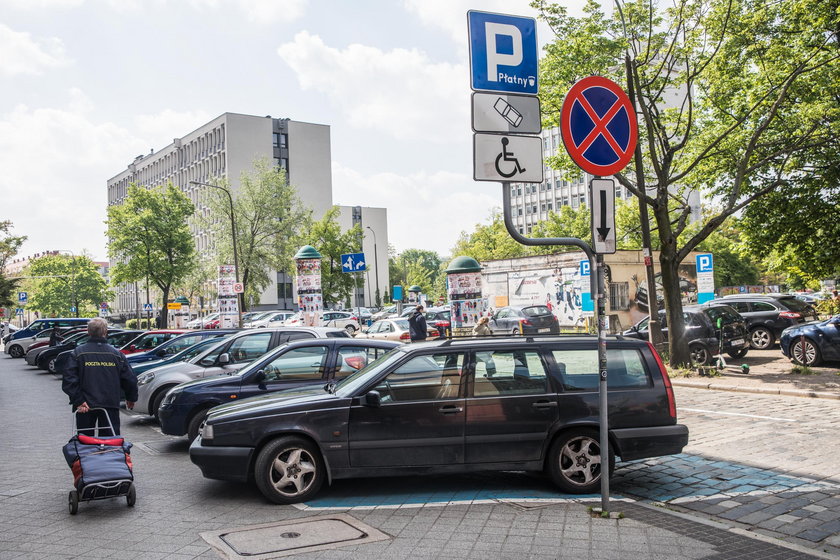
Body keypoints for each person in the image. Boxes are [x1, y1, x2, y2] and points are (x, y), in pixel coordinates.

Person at [61, 318, 137, 436]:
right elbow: (129, 378)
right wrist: (131, 397)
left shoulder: (78, 353)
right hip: (109, 404)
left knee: (85, 443)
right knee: (109, 443)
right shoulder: (116, 354)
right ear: (105, 332)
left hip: (85, 405)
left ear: (88, 332)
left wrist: (79, 400)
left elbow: (69, 379)